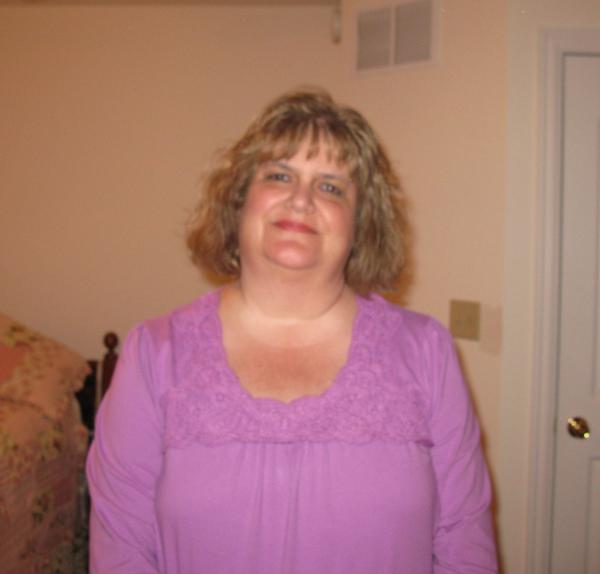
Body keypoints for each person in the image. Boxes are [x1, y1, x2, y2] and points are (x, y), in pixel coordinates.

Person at [86, 89, 498, 573]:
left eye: (331, 187)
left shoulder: (427, 351)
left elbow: (465, 544)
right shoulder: (154, 355)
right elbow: (121, 550)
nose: (301, 200)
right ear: (238, 203)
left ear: (361, 225)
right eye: (279, 176)